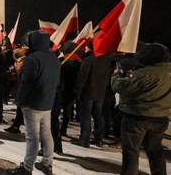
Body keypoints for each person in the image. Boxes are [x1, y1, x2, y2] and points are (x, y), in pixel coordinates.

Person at [111, 43, 171, 175]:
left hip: (137, 117)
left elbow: (119, 86)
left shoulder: (146, 74)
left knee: (131, 151)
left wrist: (116, 74)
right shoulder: (167, 71)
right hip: (161, 118)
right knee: (155, 151)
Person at [7, 30, 60, 175]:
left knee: (32, 138)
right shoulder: (54, 58)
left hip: (33, 104)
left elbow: (26, 83)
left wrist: (20, 101)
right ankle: (47, 163)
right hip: (47, 102)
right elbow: (56, 82)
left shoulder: (32, 59)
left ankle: (27, 168)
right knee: (46, 134)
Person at [72, 47, 113, 148]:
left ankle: (84, 140)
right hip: (100, 93)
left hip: (88, 93)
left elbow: (82, 77)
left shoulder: (88, 60)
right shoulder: (107, 61)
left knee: (86, 116)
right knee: (98, 115)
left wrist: (77, 92)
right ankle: (98, 139)